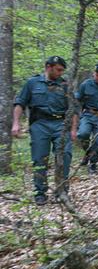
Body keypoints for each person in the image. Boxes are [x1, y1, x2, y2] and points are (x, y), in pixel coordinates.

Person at [11, 56, 78, 205]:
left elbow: (73, 109)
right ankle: (40, 192)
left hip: (60, 124)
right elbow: (20, 103)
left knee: (65, 155)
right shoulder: (32, 83)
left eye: (62, 70)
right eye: (58, 69)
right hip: (39, 124)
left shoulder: (65, 85)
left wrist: (73, 130)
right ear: (48, 67)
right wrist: (15, 123)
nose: (60, 73)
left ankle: (61, 191)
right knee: (40, 158)